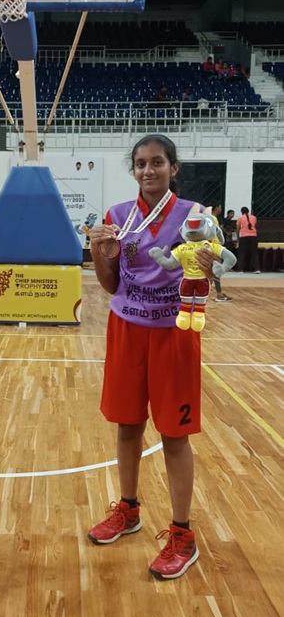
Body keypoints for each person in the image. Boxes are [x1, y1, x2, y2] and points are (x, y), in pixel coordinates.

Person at [87, 133, 214, 580]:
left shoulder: (196, 215)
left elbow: (210, 276)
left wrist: (208, 266)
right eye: (140, 163)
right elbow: (111, 284)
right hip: (126, 328)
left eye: (157, 162)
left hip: (173, 333)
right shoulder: (117, 217)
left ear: (173, 168)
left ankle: (183, 534)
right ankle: (128, 510)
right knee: (127, 425)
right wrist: (98, 251)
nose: (148, 170)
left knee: (174, 435)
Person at [210, 204, 233, 301]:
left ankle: (218, 293)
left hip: (212, 246)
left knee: (212, 271)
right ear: (216, 208)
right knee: (216, 271)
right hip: (214, 247)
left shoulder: (211, 218)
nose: (221, 209)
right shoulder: (213, 218)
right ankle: (219, 294)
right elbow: (215, 234)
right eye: (220, 207)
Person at [236, 206, 260, 273]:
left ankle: (241, 269)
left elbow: (237, 229)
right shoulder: (254, 217)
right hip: (253, 236)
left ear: (242, 212)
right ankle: (257, 269)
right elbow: (255, 225)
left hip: (244, 236)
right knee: (254, 253)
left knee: (242, 253)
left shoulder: (240, 218)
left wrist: (238, 238)